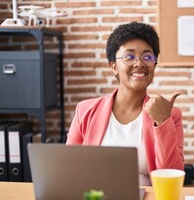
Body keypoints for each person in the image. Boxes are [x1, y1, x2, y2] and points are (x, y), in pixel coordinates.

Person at [66, 22, 184, 185]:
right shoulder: (85, 110)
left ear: (154, 64)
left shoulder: (170, 114)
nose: (140, 64)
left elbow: (172, 177)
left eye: (147, 57)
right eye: (129, 57)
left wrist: (163, 122)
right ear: (114, 66)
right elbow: (69, 168)